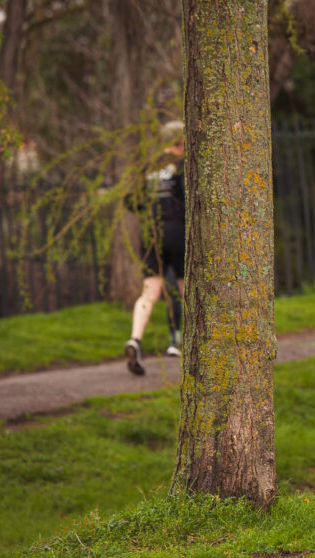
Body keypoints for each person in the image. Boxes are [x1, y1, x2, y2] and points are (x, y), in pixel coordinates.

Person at [125, 120, 186, 376]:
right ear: (182, 142)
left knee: (149, 291)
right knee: (186, 288)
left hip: (151, 233)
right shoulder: (182, 166)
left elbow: (130, 200)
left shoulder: (149, 168)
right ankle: (187, 342)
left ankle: (135, 340)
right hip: (177, 231)